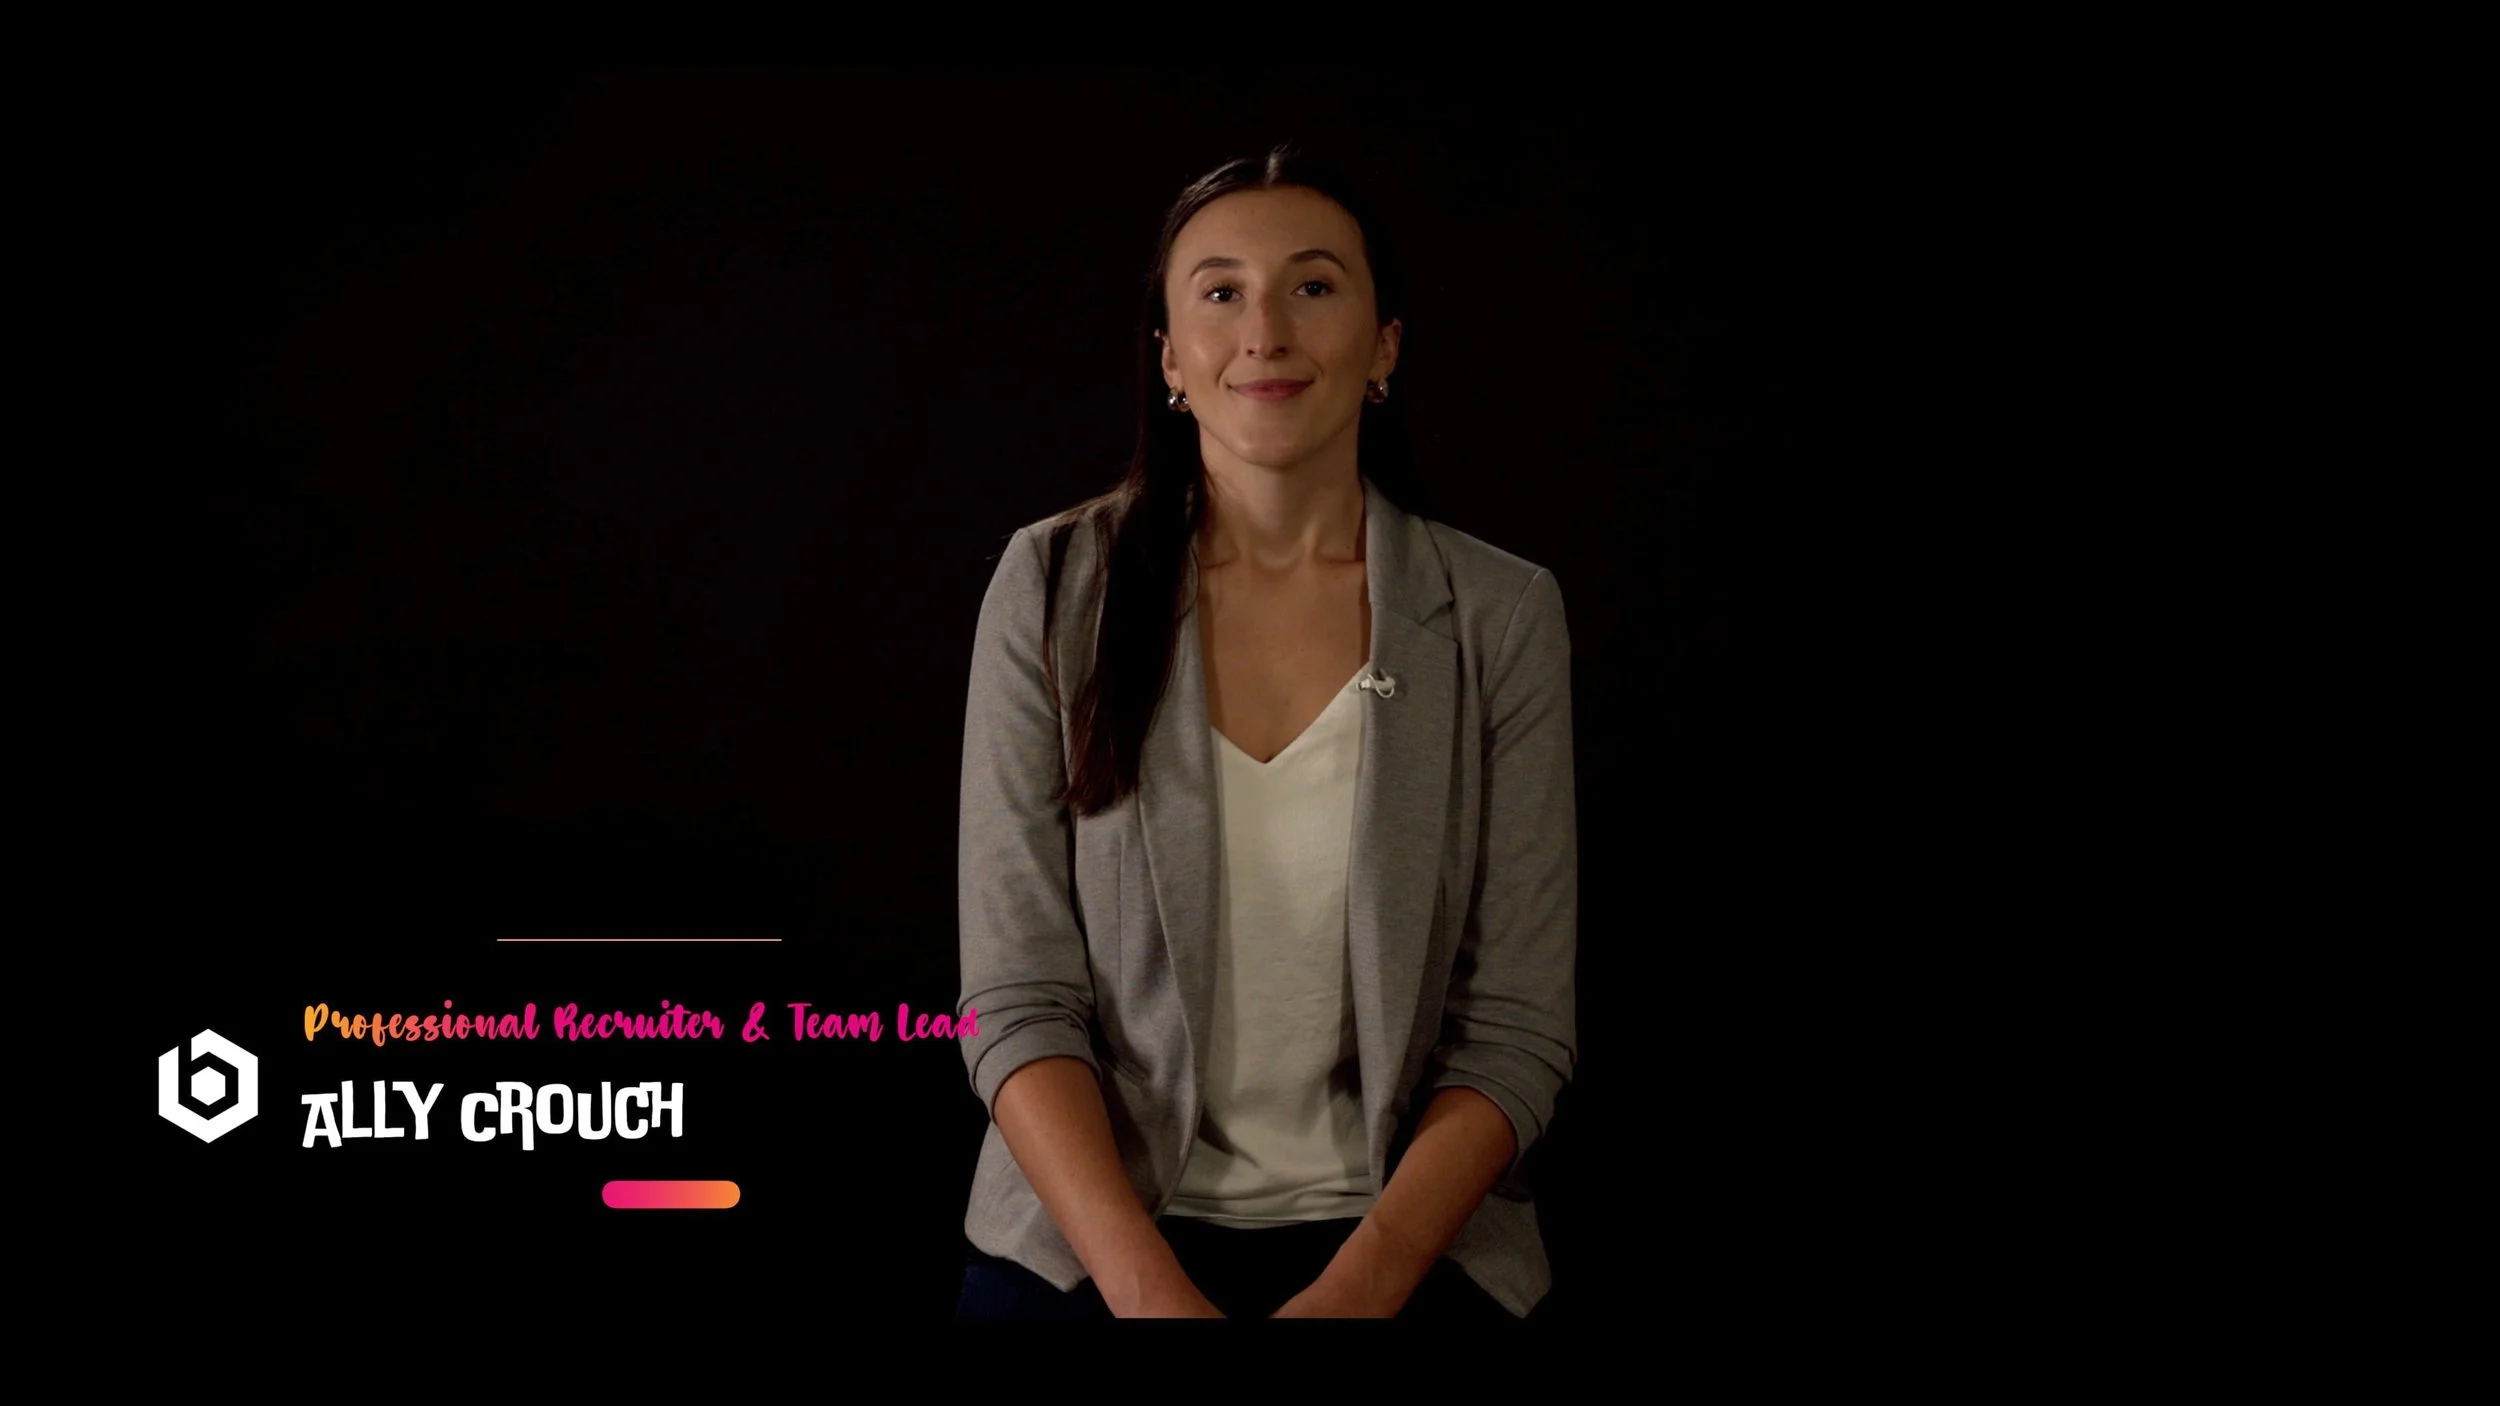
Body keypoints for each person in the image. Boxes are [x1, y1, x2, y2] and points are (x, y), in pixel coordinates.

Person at [952, 146, 1577, 1320]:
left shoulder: (1499, 614)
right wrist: (1149, 1293)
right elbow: (1015, 996)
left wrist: (1363, 1286)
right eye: (1221, 290)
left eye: (1314, 285)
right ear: (1171, 357)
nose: (1266, 330)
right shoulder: (1048, 585)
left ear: (1385, 344)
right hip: (1096, 1248)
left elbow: (1517, 1027)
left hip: (1407, 1247)